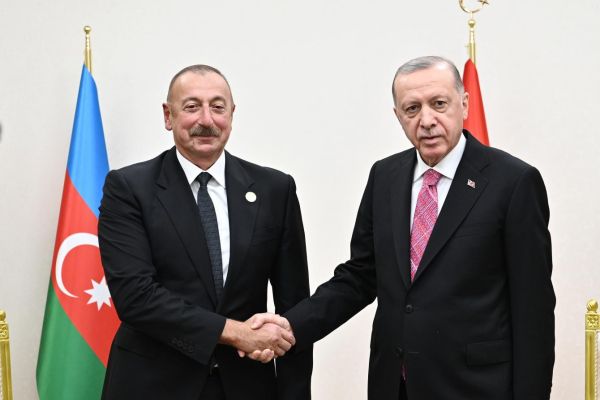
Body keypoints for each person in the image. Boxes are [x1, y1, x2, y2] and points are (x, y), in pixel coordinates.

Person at [252, 56, 555, 399]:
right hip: (395, 386)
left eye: (439, 104)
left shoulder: (513, 182)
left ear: (464, 104)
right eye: (412, 109)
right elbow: (361, 276)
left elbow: (534, 310)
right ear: (398, 116)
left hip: (476, 387)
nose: (426, 120)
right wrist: (292, 325)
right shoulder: (385, 176)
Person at [98, 64, 312, 400]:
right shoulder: (128, 188)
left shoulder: (274, 189)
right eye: (192, 106)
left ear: (232, 115)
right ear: (168, 116)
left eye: (217, 107)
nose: (206, 120)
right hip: (153, 386)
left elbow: (295, 308)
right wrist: (235, 332)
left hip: (247, 388)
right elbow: (136, 297)